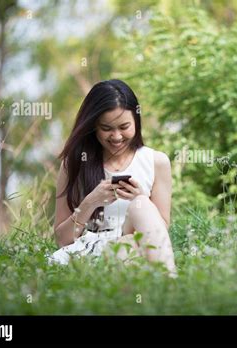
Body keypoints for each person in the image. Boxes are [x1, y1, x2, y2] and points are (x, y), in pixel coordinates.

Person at [48, 79, 176, 276]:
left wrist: (141, 200)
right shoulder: (73, 164)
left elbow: (160, 233)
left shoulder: (156, 162)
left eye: (124, 126)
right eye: (106, 128)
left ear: (137, 121)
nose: (116, 137)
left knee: (140, 204)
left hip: (137, 244)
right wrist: (91, 201)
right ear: (93, 127)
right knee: (129, 248)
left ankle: (169, 279)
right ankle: (168, 282)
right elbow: (62, 240)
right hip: (97, 250)